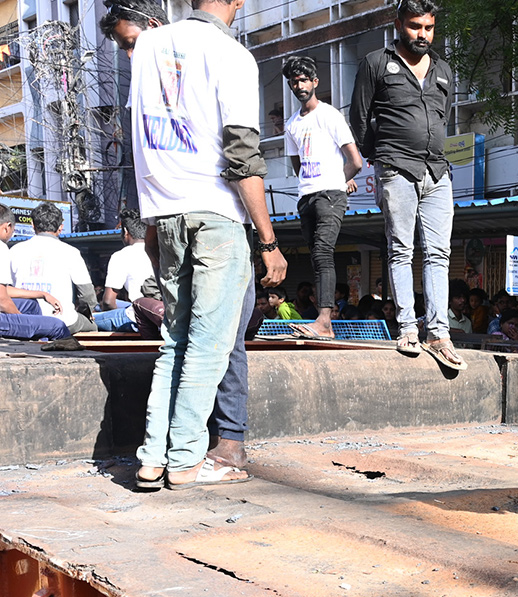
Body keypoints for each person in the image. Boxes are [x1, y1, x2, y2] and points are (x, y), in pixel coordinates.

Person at [127, 0, 286, 490]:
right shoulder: (231, 53)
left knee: (174, 340)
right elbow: (242, 155)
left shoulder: (147, 45)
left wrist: (152, 225)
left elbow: (143, 138)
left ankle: (153, 458)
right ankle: (187, 461)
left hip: (165, 213)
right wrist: (268, 241)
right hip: (216, 216)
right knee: (209, 346)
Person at [350, 0, 463, 369]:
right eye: (415, 26)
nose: (422, 34)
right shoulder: (376, 63)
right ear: (399, 23)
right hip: (396, 168)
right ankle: (408, 329)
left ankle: (439, 333)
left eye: (429, 27)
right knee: (401, 250)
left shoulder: (444, 70)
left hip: (437, 171)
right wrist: (378, 155)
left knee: (439, 254)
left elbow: (443, 116)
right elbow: (360, 118)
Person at [282, 54, 362, 339]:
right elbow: (298, 166)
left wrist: (339, 182)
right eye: (294, 81)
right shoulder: (291, 124)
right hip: (306, 197)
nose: (299, 85)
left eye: (304, 80)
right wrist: (312, 185)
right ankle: (322, 322)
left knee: (322, 252)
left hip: (330, 194)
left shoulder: (329, 114)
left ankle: (325, 321)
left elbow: (356, 160)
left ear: (315, 82)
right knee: (316, 257)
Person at [9, 202, 97, 334]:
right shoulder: (70, 252)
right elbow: (87, 295)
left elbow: (5, 289)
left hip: (25, 319)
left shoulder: (15, 250)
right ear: (60, 227)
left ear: (33, 225)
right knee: (93, 326)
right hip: (63, 320)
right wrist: (85, 312)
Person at [0, 204, 71, 341]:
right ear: (7, 227)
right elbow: (2, 300)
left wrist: (42, 294)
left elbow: (4, 290)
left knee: (32, 304)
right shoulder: (1, 248)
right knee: (57, 326)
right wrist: (21, 320)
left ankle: (38, 338)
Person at [95, 208, 155, 332]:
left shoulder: (121, 255)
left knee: (91, 318)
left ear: (126, 232)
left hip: (137, 319)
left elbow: (108, 302)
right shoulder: (159, 251)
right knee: (100, 306)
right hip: (159, 312)